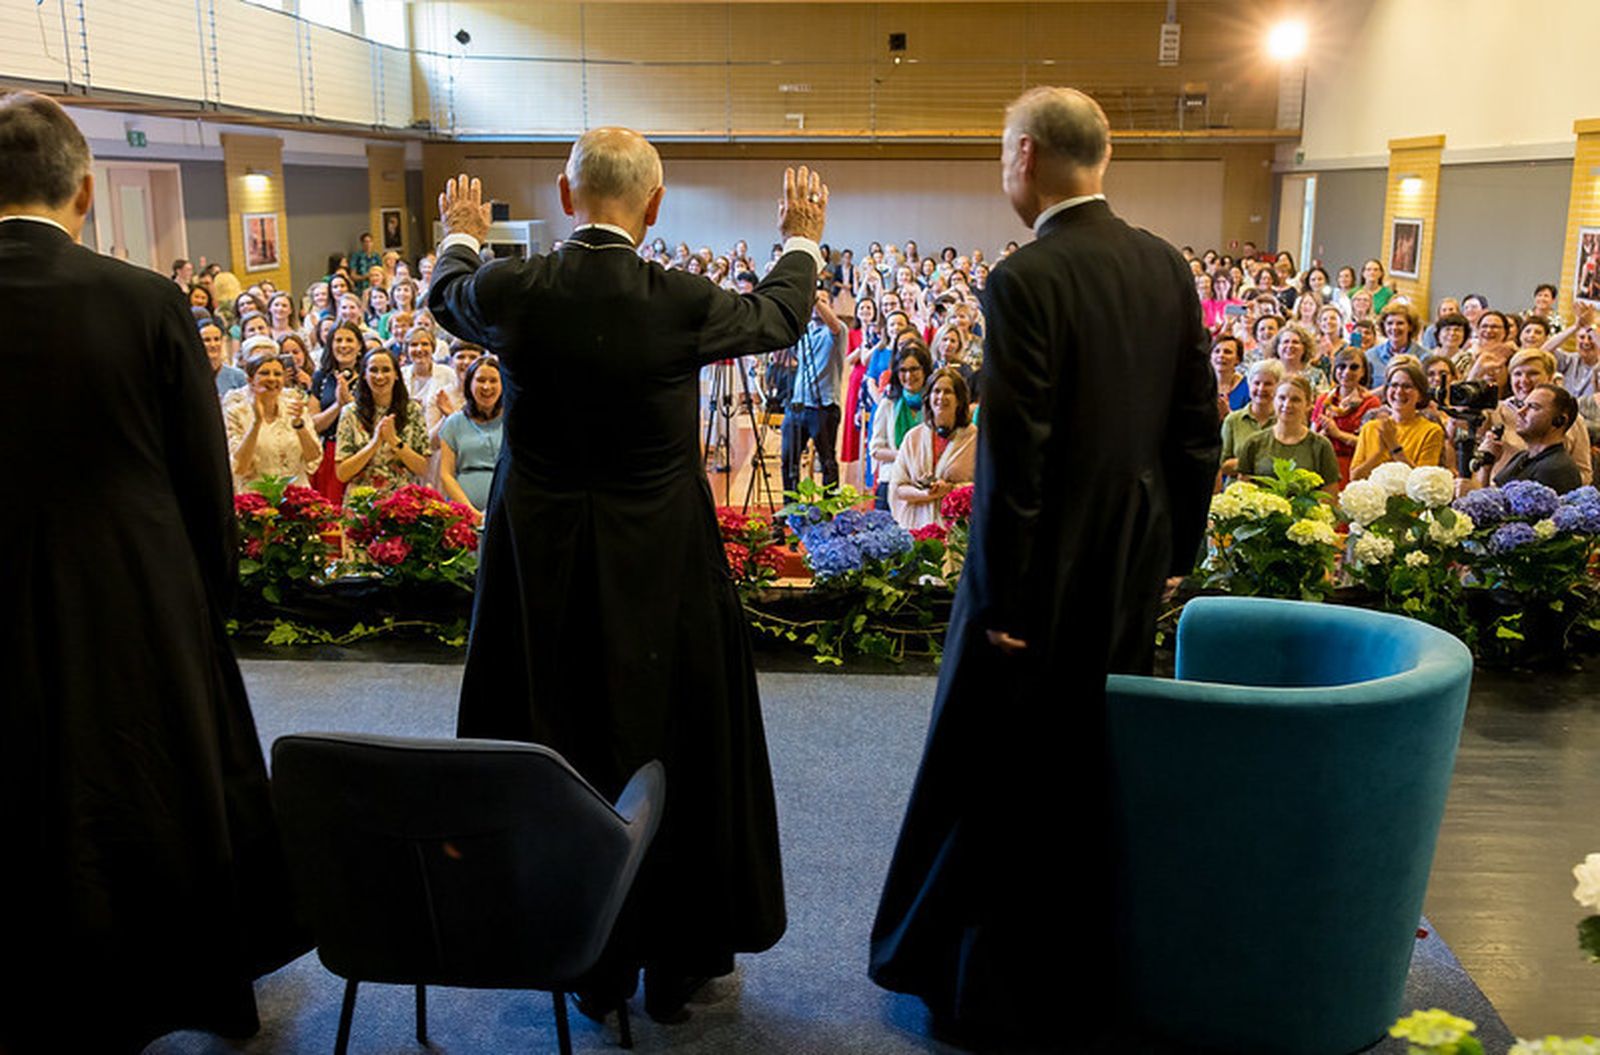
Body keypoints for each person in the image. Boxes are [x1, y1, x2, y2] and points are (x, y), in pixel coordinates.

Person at [426, 131, 827, 1022]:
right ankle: (672, 956)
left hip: (544, 568)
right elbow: (778, 316)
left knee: (554, 733)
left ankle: (574, 953)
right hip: (662, 570)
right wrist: (799, 236)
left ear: (566, 198)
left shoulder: (514, 288)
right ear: (655, 206)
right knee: (669, 740)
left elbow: (446, 293)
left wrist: (461, 231)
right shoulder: (681, 299)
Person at [869, 87, 1218, 1035]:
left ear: (1024, 155)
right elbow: (1199, 426)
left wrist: (1005, 593)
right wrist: (1175, 550)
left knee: (1004, 765)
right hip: (1132, 556)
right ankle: (1090, 973)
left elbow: (1017, 453)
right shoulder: (1165, 266)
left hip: (1041, 564)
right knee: (1095, 758)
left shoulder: (1026, 278)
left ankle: (993, 991)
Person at [0, 91, 307, 1054]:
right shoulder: (144, 300)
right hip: (133, 592)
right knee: (150, 787)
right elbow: (201, 474)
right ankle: (182, 983)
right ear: (86, 192)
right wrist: (206, 604)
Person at [887, 366, 977, 529]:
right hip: (916, 528)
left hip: (957, 532)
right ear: (928, 397)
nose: (941, 397)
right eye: (936, 391)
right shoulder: (913, 437)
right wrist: (927, 494)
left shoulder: (975, 438)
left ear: (959, 399)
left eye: (948, 391)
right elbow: (898, 488)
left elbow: (984, 487)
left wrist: (950, 488)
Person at [333, 344, 429, 496]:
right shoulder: (350, 412)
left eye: (386, 370)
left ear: (396, 374)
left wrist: (394, 441)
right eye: (373, 370)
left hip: (403, 504)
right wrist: (374, 444)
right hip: (361, 505)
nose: (379, 376)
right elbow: (342, 473)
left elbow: (422, 468)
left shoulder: (412, 410)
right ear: (364, 375)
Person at [780, 289, 848, 495]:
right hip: (798, 404)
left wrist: (814, 298)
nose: (816, 307)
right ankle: (791, 509)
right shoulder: (804, 331)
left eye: (823, 302)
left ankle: (828, 512)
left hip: (824, 406)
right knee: (788, 460)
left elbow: (834, 326)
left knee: (827, 461)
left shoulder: (837, 330)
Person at [224, 350, 322, 491]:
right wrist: (256, 423)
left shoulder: (295, 407)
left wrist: (300, 426)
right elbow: (240, 468)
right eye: (264, 373)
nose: (272, 379)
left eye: (277, 374)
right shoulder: (236, 413)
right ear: (250, 379)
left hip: (296, 495)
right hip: (256, 499)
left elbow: (313, 457)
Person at [1465, 383, 1583, 494]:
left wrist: (1468, 488)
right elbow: (1491, 500)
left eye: (1533, 407)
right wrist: (1487, 465)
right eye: (1522, 405)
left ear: (1559, 421)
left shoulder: (1557, 470)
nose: (1520, 412)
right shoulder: (1522, 456)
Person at [1234, 375, 1340, 487]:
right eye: (1282, 398)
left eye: (1295, 400)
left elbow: (1330, 495)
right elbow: (1243, 489)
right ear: (1273, 400)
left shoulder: (1321, 446)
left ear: (1308, 404)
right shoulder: (1254, 442)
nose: (1287, 405)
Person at [1350, 360, 1447, 479]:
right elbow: (1354, 477)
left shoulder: (1432, 431)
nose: (1399, 392)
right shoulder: (1370, 427)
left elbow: (1423, 482)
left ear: (1420, 395)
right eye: (1394, 385)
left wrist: (1394, 447)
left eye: (1407, 386)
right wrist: (1379, 453)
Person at [869, 340, 934, 508]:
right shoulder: (888, 404)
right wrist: (905, 456)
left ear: (925, 371)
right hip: (892, 476)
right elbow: (876, 450)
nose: (908, 376)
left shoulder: (934, 404)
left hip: (926, 480)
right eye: (903, 370)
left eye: (914, 369)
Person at [437, 354, 504, 515]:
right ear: (469, 384)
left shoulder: (513, 422)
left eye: (493, 381)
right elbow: (446, 475)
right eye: (480, 380)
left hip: (505, 510)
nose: (486, 387)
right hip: (463, 513)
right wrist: (471, 511)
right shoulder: (453, 423)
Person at [1312, 348, 1381, 484]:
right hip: (1321, 464)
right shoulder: (1324, 400)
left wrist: (1338, 434)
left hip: (1353, 467)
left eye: (1354, 367)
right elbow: (1312, 437)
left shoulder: (1371, 403)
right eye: (1341, 366)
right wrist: (1324, 432)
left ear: (1363, 372)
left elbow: (1371, 445)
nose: (1346, 372)